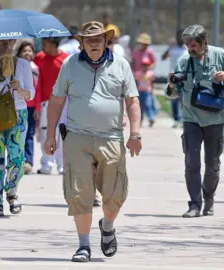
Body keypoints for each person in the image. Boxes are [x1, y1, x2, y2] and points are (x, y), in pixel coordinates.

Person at [45, 21, 142, 262]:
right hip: (77, 137)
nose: (95, 43)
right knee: (79, 193)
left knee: (115, 194)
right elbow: (57, 100)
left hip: (111, 137)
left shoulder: (120, 65)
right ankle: (83, 245)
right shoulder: (70, 65)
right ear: (82, 43)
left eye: (99, 39)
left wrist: (135, 134)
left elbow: (132, 101)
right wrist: (50, 135)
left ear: (107, 41)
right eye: (89, 40)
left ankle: (107, 225)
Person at [164, 24, 224, 218]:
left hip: (215, 119)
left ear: (204, 42)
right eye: (188, 45)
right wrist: (171, 85)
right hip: (190, 118)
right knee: (191, 162)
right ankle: (194, 204)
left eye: (194, 45)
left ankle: (208, 198)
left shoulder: (220, 56)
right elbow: (172, 94)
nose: (190, 49)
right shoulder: (184, 61)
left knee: (212, 164)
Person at [0, 39, 35, 216]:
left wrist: (20, 89)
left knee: (17, 156)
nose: (7, 45)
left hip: (17, 113)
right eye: (2, 42)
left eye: (10, 42)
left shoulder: (23, 64)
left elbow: (31, 94)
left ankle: (12, 193)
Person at [34, 37, 69, 175]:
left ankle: (62, 165)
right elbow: (36, 83)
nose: (42, 46)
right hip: (44, 102)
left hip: (63, 102)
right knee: (45, 133)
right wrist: (37, 106)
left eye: (45, 44)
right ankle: (46, 164)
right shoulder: (39, 58)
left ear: (53, 44)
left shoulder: (66, 59)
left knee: (62, 133)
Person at [16, 41, 39, 174]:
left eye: (30, 50)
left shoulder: (35, 69)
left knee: (29, 135)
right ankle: (19, 160)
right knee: (18, 135)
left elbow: (38, 90)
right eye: (24, 51)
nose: (27, 53)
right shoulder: (15, 67)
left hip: (31, 107)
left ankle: (29, 162)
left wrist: (37, 108)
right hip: (18, 107)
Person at [162, 29, 187, 128]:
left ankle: (183, 119)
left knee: (184, 98)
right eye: (178, 36)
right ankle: (176, 119)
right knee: (174, 99)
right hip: (173, 76)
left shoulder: (187, 48)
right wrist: (169, 47)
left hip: (184, 77)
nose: (180, 38)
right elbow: (163, 57)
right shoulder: (173, 48)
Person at [135, 57, 155, 127]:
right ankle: (140, 120)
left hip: (147, 92)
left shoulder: (150, 73)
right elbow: (136, 83)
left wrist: (152, 91)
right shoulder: (138, 73)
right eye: (144, 65)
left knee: (148, 105)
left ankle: (151, 118)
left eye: (146, 65)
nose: (145, 67)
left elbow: (152, 83)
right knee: (140, 107)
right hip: (140, 92)